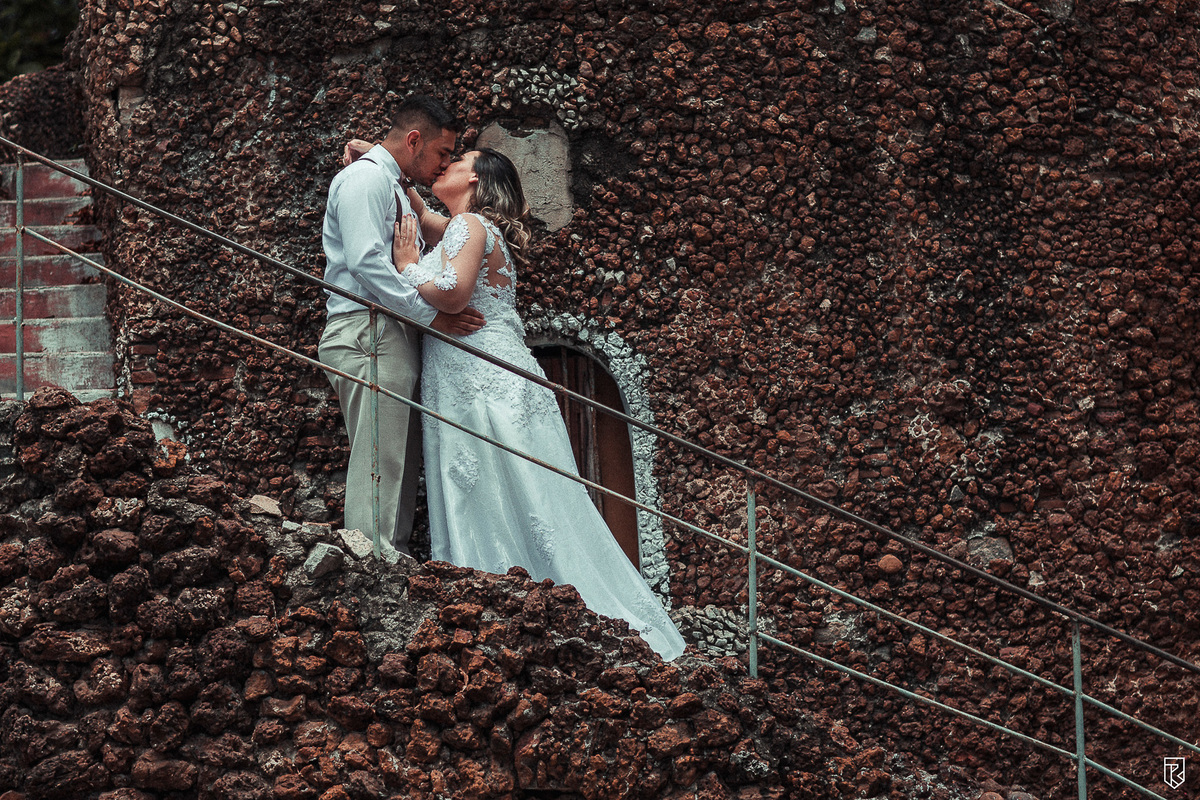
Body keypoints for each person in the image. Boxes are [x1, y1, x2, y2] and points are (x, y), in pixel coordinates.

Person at [389, 147, 686, 660]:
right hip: (478, 372)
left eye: (458, 160)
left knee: (497, 481)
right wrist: (382, 163)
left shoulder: (470, 226)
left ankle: (493, 596)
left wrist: (409, 266)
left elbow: (454, 293)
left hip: (480, 378)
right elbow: (424, 217)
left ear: (477, 179)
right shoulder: (466, 227)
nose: (446, 165)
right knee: (518, 487)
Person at [318, 96, 484, 556]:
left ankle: (389, 558)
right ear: (414, 140)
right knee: (380, 455)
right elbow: (368, 263)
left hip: (387, 330)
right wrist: (432, 316)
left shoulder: (388, 180)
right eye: (443, 153)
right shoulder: (366, 180)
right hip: (367, 330)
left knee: (397, 455)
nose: (444, 163)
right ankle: (371, 560)